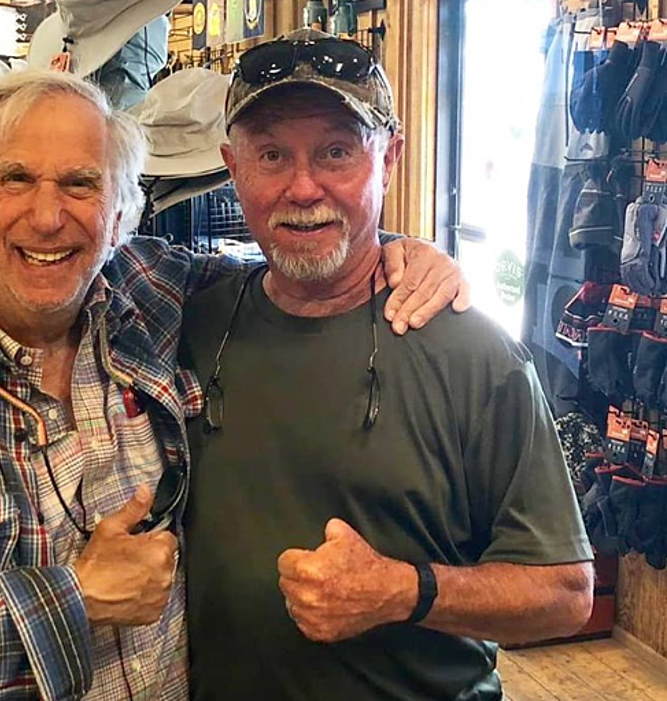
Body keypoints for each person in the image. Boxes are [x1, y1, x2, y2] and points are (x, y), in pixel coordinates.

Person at [0, 68, 466, 700]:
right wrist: (72, 600)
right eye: (17, 178)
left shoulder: (149, 291)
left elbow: (296, 269)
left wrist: (400, 254)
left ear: (121, 212)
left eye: (80, 184)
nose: (47, 215)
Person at [179, 29, 595, 701]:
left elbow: (564, 592)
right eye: (271, 154)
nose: (302, 186)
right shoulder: (188, 320)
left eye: (336, 152)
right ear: (233, 167)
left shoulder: (471, 353)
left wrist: (404, 590)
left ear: (389, 158)